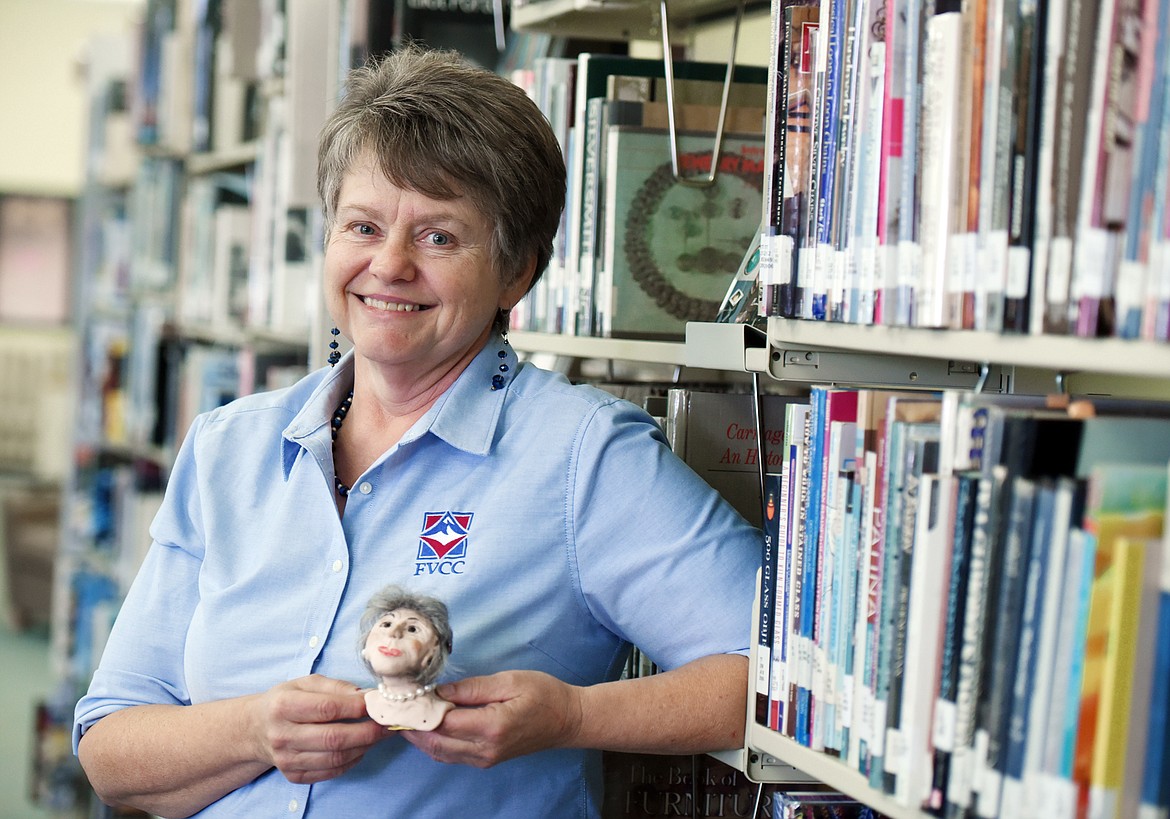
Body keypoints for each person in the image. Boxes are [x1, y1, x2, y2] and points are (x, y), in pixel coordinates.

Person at [73, 45, 762, 818]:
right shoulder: (227, 446)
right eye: (362, 226)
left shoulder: (584, 456)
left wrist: (574, 716)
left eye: (438, 237)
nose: (389, 265)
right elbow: (110, 747)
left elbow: (767, 671)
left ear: (516, 273)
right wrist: (254, 731)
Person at [359, 585, 455, 731]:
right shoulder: (368, 700)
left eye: (412, 629)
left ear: (433, 651)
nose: (393, 632)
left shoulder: (438, 710)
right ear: (367, 646)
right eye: (386, 624)